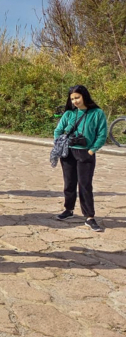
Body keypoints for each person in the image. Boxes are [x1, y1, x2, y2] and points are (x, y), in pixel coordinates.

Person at [54, 85, 107, 232]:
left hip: (85, 153)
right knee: (69, 183)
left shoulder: (97, 113)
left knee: (85, 185)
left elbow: (102, 134)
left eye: (77, 97)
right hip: (68, 153)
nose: (75, 101)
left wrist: (91, 150)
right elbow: (58, 131)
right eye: (72, 99)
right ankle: (68, 209)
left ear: (84, 96)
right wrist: (60, 144)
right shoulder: (69, 114)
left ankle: (89, 217)